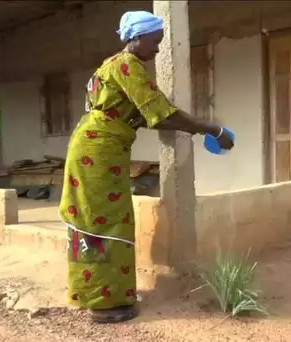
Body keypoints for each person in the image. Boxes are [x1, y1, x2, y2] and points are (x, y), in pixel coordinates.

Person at [58, 10, 234, 324]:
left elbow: (143, 115)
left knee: (99, 218)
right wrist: (211, 130)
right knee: (104, 222)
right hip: (98, 151)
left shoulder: (110, 66)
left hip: (99, 147)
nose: (156, 50)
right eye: (155, 42)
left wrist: (191, 127)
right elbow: (161, 114)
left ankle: (97, 292)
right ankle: (106, 302)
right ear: (136, 38)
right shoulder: (127, 66)